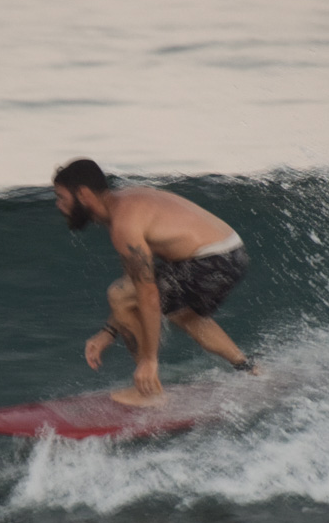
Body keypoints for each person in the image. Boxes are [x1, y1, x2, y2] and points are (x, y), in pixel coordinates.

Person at [52, 158, 258, 406]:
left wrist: (150, 360)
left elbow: (146, 294)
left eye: (62, 197)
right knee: (182, 313)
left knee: (120, 295)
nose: (59, 205)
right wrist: (109, 332)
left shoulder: (123, 223)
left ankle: (148, 391)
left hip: (212, 259)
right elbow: (135, 283)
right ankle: (249, 369)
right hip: (231, 253)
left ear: (83, 194)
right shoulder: (126, 204)